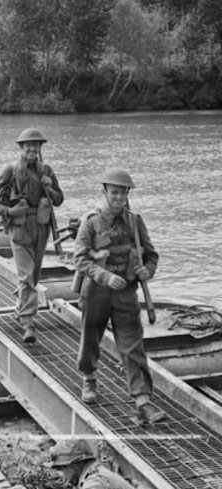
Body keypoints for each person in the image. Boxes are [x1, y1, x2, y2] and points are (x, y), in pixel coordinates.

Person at [74, 168, 165, 426]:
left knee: (133, 345)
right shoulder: (91, 222)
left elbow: (151, 255)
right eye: (114, 192)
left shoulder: (135, 222)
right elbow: (80, 259)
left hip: (126, 293)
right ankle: (89, 379)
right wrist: (103, 276)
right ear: (105, 193)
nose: (119, 198)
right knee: (90, 338)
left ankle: (142, 401)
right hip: (97, 292)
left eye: (123, 193)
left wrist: (147, 270)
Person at [0, 128, 63, 344]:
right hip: (19, 229)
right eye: (28, 145)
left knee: (34, 275)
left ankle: (21, 307)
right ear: (21, 147)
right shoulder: (10, 170)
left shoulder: (46, 170)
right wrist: (9, 212)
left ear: (40, 148)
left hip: (41, 227)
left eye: (36, 145)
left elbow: (59, 199)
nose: (32, 149)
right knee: (27, 275)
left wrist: (50, 188)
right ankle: (28, 323)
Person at [8, 438, 145, 489]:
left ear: (74, 466)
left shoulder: (97, 481)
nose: (62, 475)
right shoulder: (91, 474)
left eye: (62, 469)